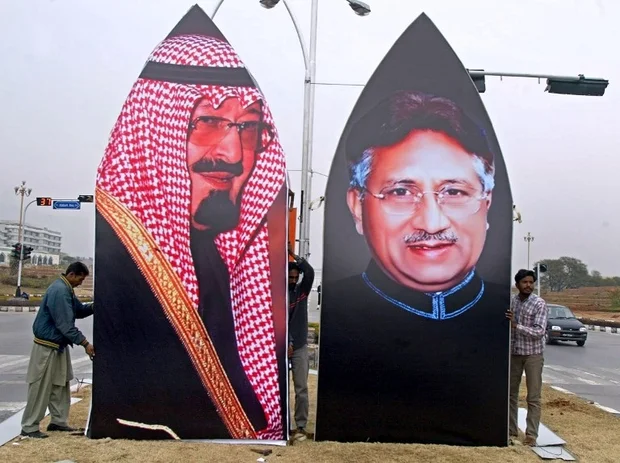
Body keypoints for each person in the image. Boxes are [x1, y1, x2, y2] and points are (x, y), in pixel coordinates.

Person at [90, 31, 288, 440]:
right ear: (155, 131)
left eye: (249, 128)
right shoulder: (130, 263)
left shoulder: (215, 259)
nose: (233, 154)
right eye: (209, 122)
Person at [316, 90, 510, 445]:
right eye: (401, 192)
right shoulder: (337, 311)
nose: (432, 223)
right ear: (358, 207)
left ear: (487, 204)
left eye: (454, 192)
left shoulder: (502, 314)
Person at [20, 262, 94, 439]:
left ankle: (58, 421)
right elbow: (65, 325)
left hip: (58, 346)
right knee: (40, 387)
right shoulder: (60, 291)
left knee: (60, 385)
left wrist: (96, 305)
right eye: (80, 279)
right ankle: (29, 426)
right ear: (72, 274)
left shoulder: (66, 288)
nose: (80, 283)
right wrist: (85, 344)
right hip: (46, 346)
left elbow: (79, 310)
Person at [506, 269, 549, 446]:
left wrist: (516, 325)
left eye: (531, 282)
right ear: (517, 284)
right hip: (514, 353)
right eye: (525, 282)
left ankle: (531, 435)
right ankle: (510, 430)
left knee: (533, 397)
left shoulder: (539, 303)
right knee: (510, 394)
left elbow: (539, 331)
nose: (528, 285)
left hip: (533, 354)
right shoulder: (511, 301)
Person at [287, 244, 315, 440]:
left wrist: (292, 254)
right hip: (281, 347)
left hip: (299, 347)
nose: (294, 280)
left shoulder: (302, 292)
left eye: (296, 277)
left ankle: (301, 426)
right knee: (280, 389)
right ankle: (283, 426)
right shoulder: (278, 294)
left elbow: (310, 272)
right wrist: (286, 342)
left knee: (301, 388)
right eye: (291, 277)